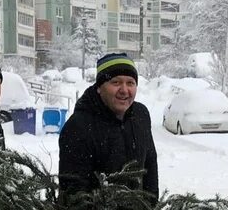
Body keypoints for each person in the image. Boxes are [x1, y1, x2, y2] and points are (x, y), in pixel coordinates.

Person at [58, 52, 158, 199]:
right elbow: (74, 194)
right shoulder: (78, 126)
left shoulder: (140, 115)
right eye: (116, 82)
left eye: (130, 83)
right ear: (99, 87)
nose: (124, 90)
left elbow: (150, 165)